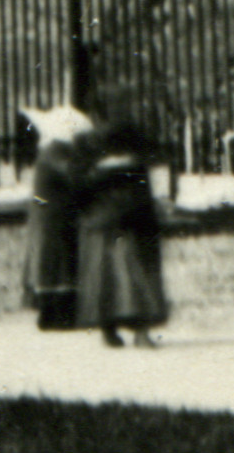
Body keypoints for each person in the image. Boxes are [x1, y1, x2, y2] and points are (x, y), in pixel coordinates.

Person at [73, 108, 166, 349]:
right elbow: (144, 200)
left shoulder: (90, 167)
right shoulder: (136, 167)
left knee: (104, 281)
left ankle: (109, 331)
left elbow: (78, 196)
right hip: (130, 228)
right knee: (136, 280)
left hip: (99, 227)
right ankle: (141, 333)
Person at [21, 104, 94, 330]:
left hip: (51, 215)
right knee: (57, 264)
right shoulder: (57, 150)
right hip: (54, 217)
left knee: (54, 264)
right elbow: (74, 175)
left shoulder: (51, 149)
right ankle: (55, 316)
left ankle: (54, 314)